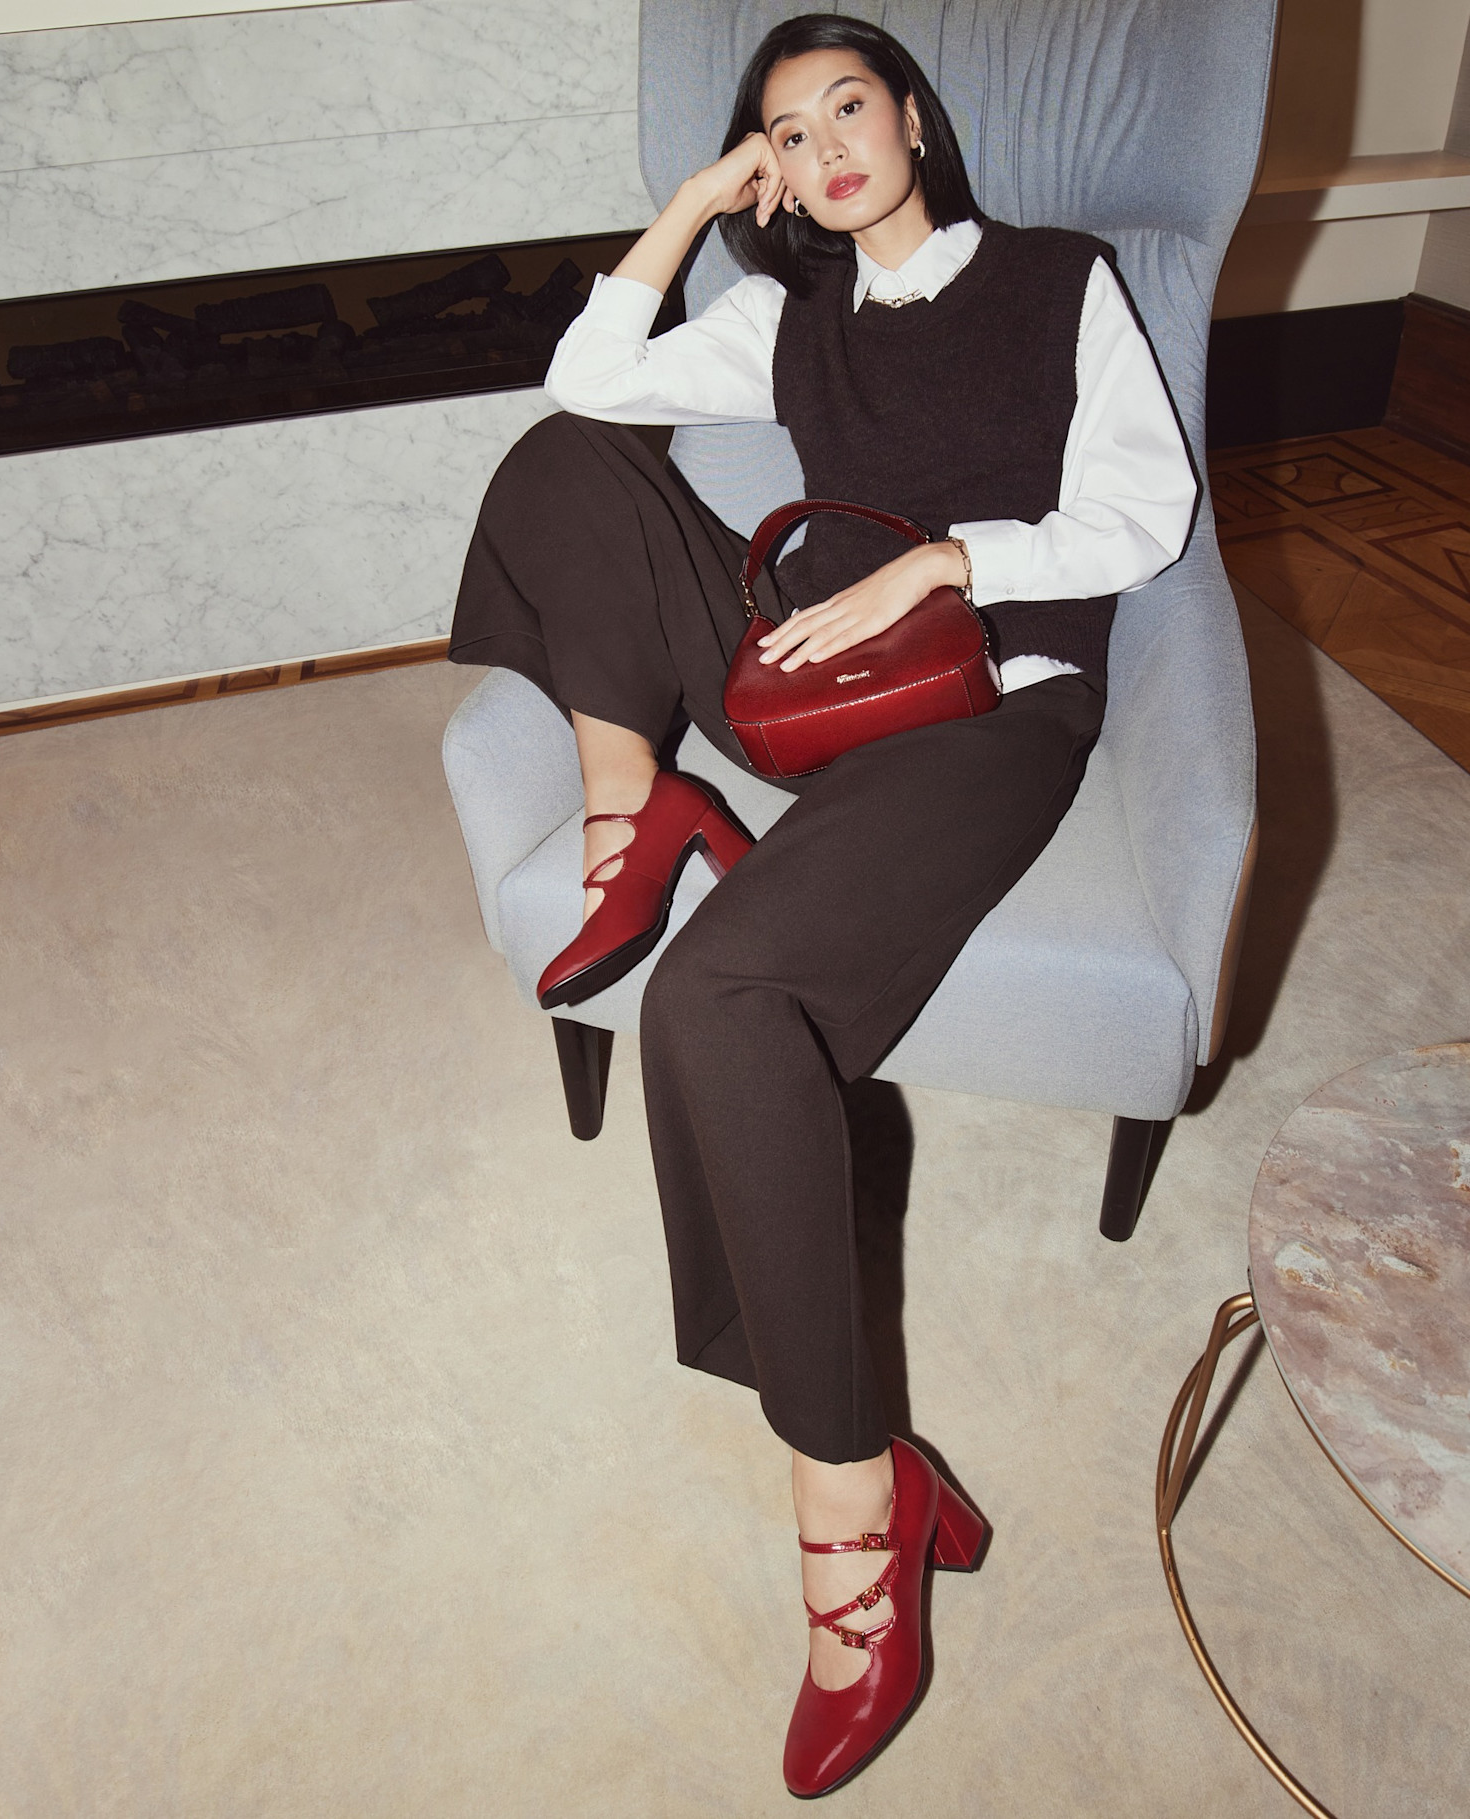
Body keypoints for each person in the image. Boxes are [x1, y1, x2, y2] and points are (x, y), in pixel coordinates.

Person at [448, 13, 1195, 1797]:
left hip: (987, 704)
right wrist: (695, 208)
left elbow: (1146, 515)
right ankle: (636, 802)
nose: (824, 147)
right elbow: (589, 377)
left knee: (715, 1001)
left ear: (913, 119)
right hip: (807, 691)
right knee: (559, 460)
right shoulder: (788, 316)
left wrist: (947, 564)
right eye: (785, 133)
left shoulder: (1060, 281)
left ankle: (859, 1505)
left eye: (846, 108)